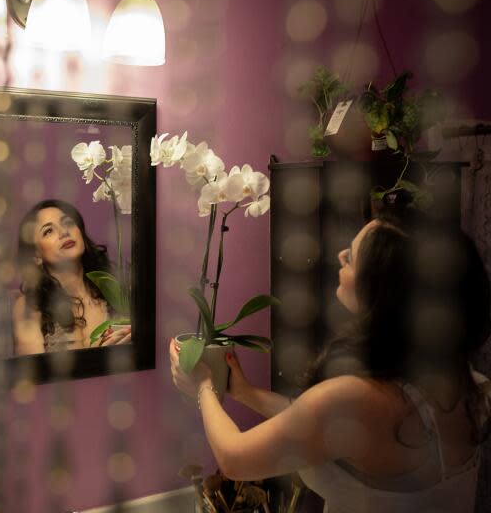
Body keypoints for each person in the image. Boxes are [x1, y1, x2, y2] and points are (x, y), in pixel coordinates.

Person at [170, 209, 491, 512]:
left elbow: (234, 459)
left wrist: (202, 385)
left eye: (351, 258)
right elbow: (317, 426)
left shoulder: (357, 398)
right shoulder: (468, 388)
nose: (340, 256)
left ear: (383, 294)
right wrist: (245, 393)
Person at [13, 199, 132, 355]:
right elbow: (34, 375)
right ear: (36, 256)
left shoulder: (116, 288)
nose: (64, 232)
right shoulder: (29, 306)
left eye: (68, 223)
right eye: (48, 231)